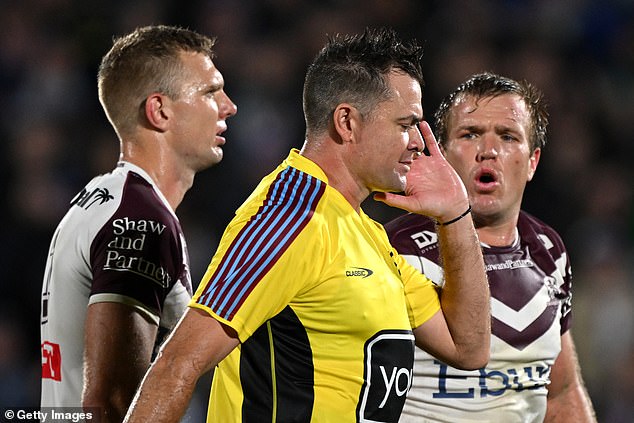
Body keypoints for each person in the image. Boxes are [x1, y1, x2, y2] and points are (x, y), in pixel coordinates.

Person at [124, 27, 489, 423]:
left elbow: (467, 346)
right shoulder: (288, 220)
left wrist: (455, 215)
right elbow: (177, 366)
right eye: (405, 125)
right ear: (347, 122)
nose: (419, 142)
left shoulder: (362, 229)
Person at [40, 24, 237, 422]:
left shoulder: (102, 200)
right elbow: (111, 403)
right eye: (210, 92)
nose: (229, 106)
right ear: (159, 110)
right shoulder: (139, 221)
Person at [385, 72, 597, 422]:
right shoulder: (396, 251)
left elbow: (561, 393)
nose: (488, 151)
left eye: (508, 136)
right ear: (440, 153)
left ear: (532, 162)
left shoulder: (549, 251)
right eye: (470, 135)